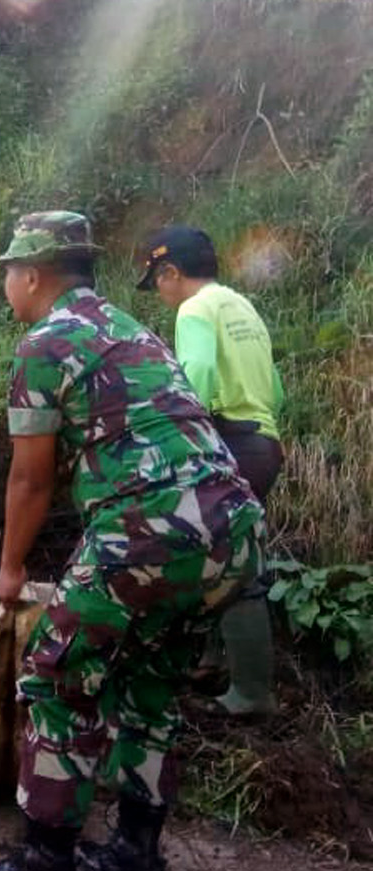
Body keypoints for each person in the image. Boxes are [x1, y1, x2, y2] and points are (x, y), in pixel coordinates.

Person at [0, 212, 262, 871]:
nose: (6, 285)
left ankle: (45, 856)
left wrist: (10, 569)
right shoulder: (132, 328)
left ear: (33, 274)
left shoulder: (45, 343)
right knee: (145, 681)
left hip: (154, 527)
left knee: (53, 672)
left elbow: (31, 478)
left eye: (8, 273)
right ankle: (135, 849)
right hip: (233, 528)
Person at [137, 225, 285, 717]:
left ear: (170, 272)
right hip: (263, 440)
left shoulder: (195, 309)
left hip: (229, 443)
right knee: (218, 557)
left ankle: (250, 693)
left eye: (157, 280)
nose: (159, 292)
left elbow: (195, 376)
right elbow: (276, 389)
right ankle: (211, 660)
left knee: (230, 566)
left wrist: (172, 442)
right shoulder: (241, 306)